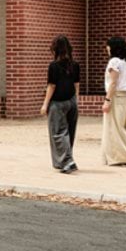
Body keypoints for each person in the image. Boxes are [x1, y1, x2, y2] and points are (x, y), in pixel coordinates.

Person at [40, 35, 80, 173]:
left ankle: (66, 161)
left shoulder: (53, 66)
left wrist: (45, 104)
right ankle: (67, 159)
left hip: (58, 103)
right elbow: (76, 85)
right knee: (69, 132)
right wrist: (76, 100)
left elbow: (51, 86)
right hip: (72, 101)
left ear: (55, 49)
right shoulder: (75, 65)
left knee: (58, 133)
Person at [101, 36, 126, 166]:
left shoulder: (114, 62)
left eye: (108, 46)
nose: (107, 48)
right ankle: (116, 156)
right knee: (123, 127)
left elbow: (113, 83)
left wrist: (107, 100)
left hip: (117, 97)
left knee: (115, 128)